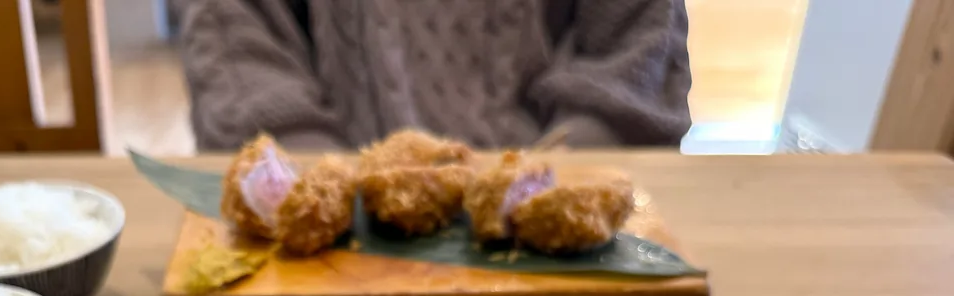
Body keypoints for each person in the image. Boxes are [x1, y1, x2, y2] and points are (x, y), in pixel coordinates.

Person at [178, 0, 692, 152]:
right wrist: (325, 187)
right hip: (326, 196)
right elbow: (236, 41)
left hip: (552, 172)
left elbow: (638, 45)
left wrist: (552, 180)